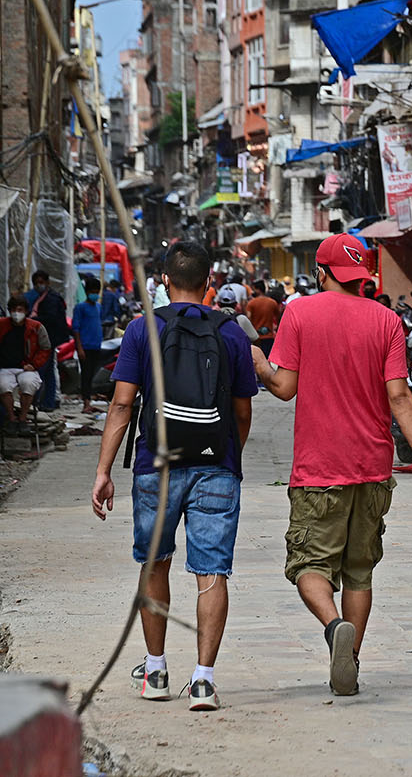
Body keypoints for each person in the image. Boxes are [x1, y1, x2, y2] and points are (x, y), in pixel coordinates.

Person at [251, 233, 412, 696]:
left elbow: (284, 387)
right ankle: (349, 662)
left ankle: (335, 628)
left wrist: (257, 362)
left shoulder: (299, 313)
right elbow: (399, 395)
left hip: (319, 467)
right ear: (362, 276)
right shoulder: (388, 320)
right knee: (359, 571)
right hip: (373, 465)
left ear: (322, 272)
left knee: (309, 565)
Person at [90, 239, 258, 711]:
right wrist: (228, 456)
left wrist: (104, 471)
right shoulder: (231, 334)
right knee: (211, 572)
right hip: (215, 466)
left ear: (164, 282)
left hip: (155, 466)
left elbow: (122, 403)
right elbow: (242, 411)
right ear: (210, 284)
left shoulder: (142, 330)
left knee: (155, 564)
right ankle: (203, 681)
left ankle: (157, 670)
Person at [0, 296, 51, 432]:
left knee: (29, 384)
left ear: (26, 311)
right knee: (3, 385)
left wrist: (34, 364)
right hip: (5, 368)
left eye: (20, 310)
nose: (16, 313)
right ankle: (11, 418)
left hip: (27, 367)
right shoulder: (1, 325)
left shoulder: (36, 327)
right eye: (13, 310)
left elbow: (45, 348)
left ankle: (23, 418)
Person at [25, 270, 69, 411]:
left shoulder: (50, 299)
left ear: (47, 283)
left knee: (42, 371)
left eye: (41, 282)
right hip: (48, 339)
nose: (39, 285)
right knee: (49, 372)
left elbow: (50, 320)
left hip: (48, 340)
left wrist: (33, 320)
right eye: (37, 283)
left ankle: (37, 402)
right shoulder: (44, 298)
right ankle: (48, 403)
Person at [72, 277, 107, 413]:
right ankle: (86, 402)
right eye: (92, 291)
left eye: (96, 291)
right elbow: (76, 328)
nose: (95, 294)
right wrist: (79, 348)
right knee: (86, 375)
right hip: (85, 346)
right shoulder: (80, 308)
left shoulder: (98, 307)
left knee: (91, 374)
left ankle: (89, 400)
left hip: (96, 346)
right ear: (87, 292)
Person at [246, 285, 283, 355]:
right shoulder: (272, 302)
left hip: (256, 337)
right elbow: (278, 317)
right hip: (269, 336)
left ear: (258, 290)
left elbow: (248, 318)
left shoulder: (251, 303)